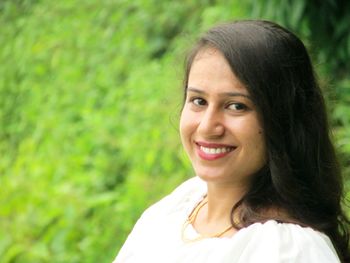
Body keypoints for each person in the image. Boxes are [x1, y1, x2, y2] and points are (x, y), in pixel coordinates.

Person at [113, 20, 350, 262]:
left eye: (236, 106)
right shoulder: (181, 204)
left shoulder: (287, 250)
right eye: (198, 101)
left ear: (283, 120)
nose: (207, 126)